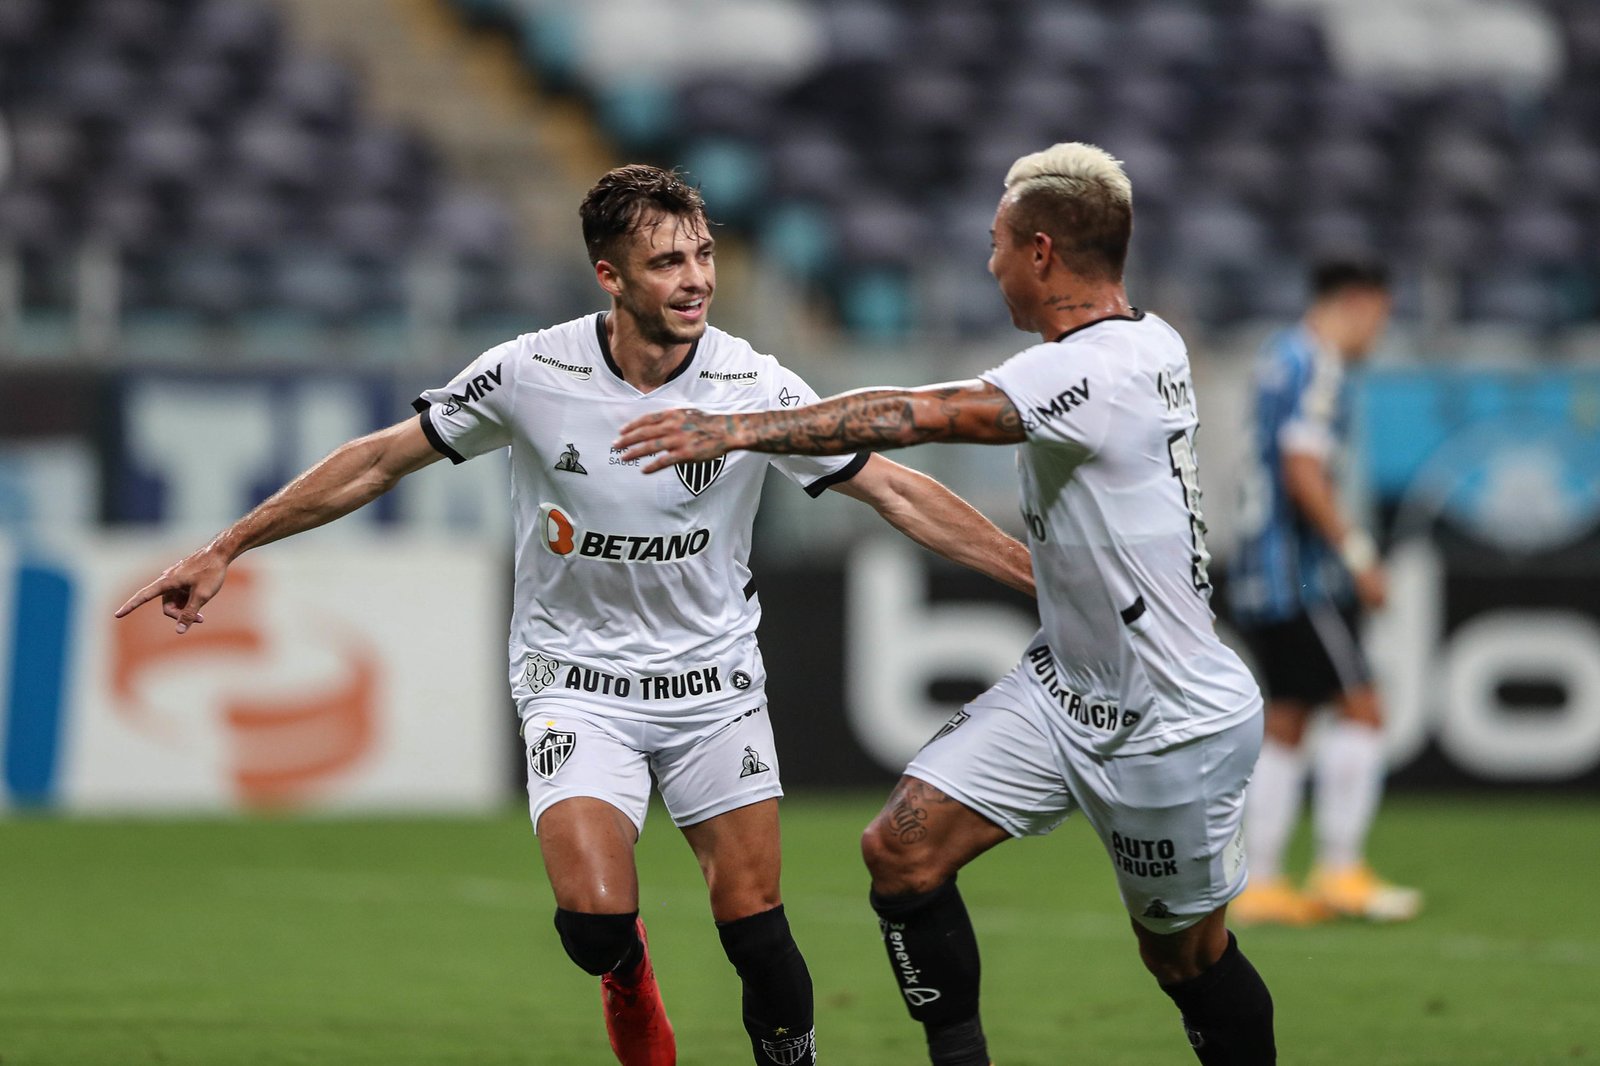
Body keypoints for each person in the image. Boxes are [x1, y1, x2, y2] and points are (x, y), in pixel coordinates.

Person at [114, 164, 1034, 1066]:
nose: (698, 279)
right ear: (611, 275)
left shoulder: (752, 384)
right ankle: (626, 973)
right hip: (576, 684)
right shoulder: (530, 371)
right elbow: (377, 461)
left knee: (755, 932)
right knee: (595, 924)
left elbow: (894, 490)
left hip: (714, 688)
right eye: (669, 262)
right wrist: (228, 545)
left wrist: (1031, 573)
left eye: (704, 255)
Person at [617, 143, 1277, 1066]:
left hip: (1167, 720)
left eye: (999, 242)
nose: (990, 260)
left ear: (1042, 252)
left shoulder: (1102, 366)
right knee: (900, 854)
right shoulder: (1143, 341)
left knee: (1182, 956)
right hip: (1062, 691)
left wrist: (734, 428)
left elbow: (924, 415)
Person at [1224, 259, 1422, 926]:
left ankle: (1262, 882)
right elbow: (1302, 469)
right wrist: (1357, 552)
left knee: (1288, 718)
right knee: (1363, 709)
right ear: (1359, 303)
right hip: (1297, 574)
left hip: (1256, 564)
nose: (1378, 334)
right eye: (1381, 318)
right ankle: (1340, 869)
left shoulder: (1276, 355)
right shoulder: (1318, 362)